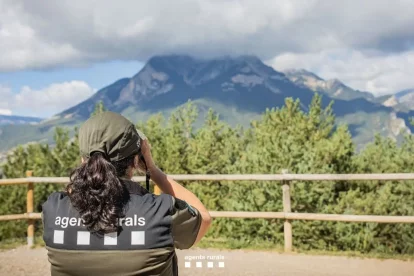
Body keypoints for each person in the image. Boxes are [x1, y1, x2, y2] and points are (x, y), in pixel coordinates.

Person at [41, 111, 212, 276]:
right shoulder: (161, 211)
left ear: (83, 160)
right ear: (136, 160)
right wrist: (153, 170)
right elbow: (203, 219)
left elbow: (77, 192)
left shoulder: (54, 209)